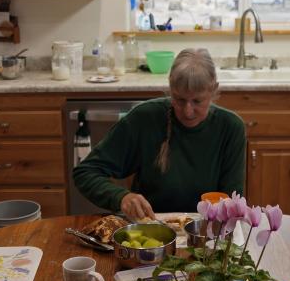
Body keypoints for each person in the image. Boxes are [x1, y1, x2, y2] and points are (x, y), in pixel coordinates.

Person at [73, 48, 245, 218]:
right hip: (149, 229)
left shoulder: (230, 128)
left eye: (197, 101)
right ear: (170, 87)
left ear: (213, 89)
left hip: (206, 233)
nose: (188, 111)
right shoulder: (144, 118)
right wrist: (121, 197)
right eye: (180, 99)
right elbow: (86, 172)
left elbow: (232, 204)